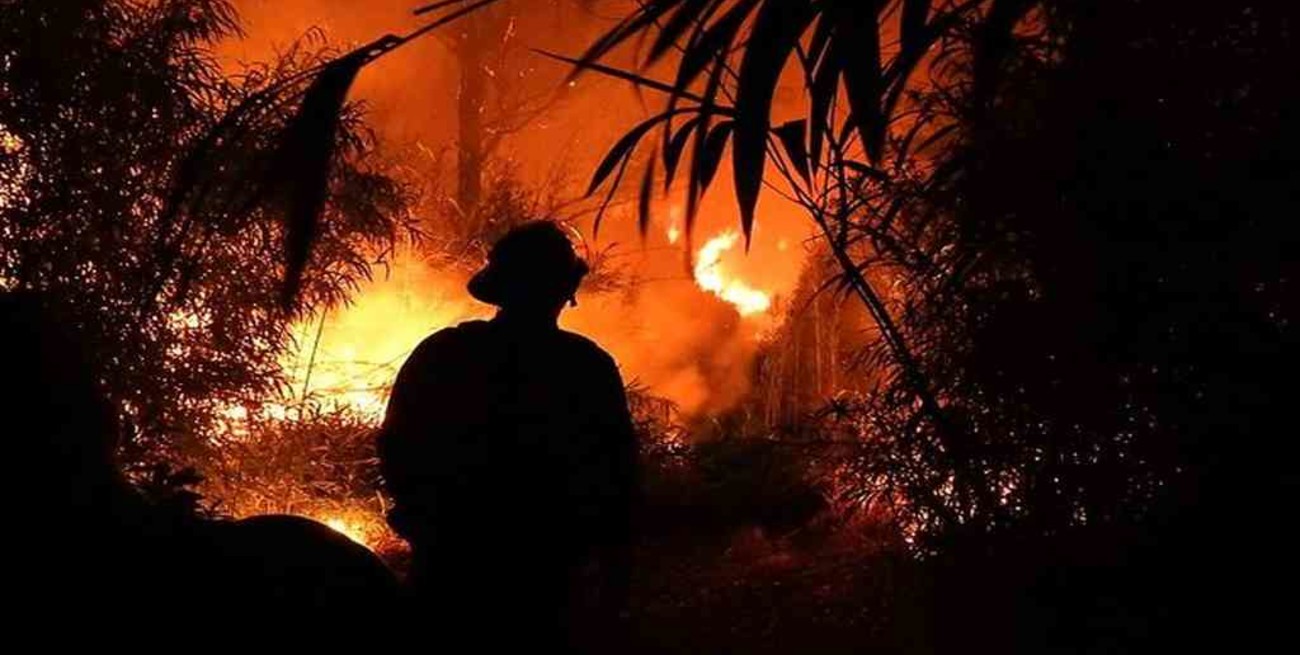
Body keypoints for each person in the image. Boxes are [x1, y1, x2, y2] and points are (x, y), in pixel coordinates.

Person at [378, 221, 638, 649]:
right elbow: (618, 476)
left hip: (450, 563)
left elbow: (397, 446)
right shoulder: (586, 367)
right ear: (565, 291)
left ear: (498, 289)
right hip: (544, 572)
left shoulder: (444, 353)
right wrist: (614, 577)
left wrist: (421, 520)